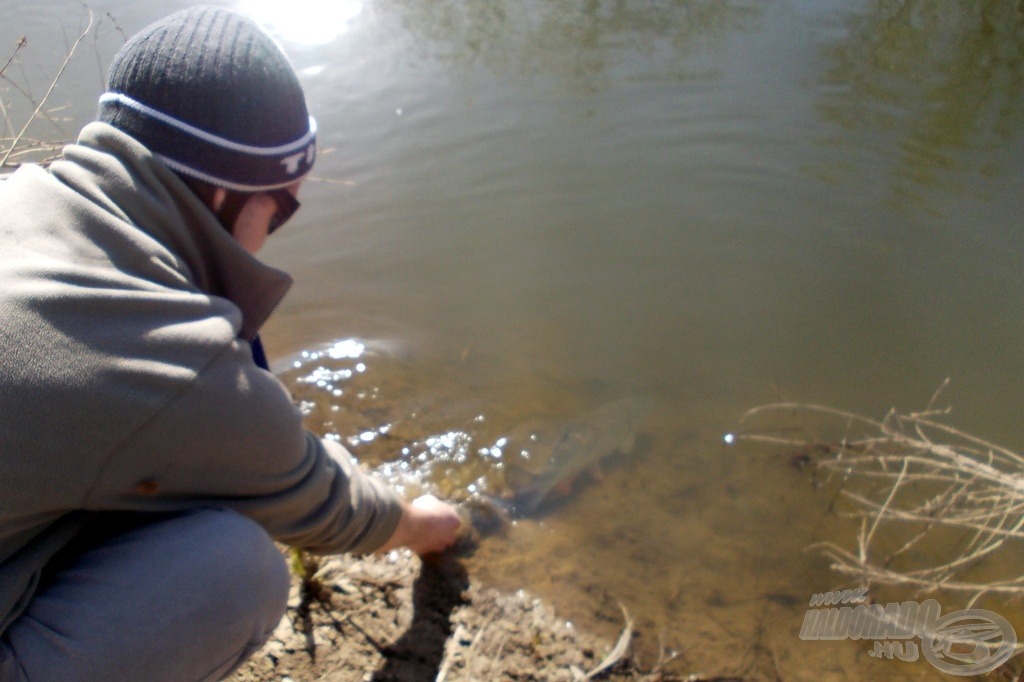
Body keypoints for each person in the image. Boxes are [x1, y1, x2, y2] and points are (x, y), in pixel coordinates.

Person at [0, 6, 461, 680]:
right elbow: (321, 503)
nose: (277, 230)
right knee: (234, 568)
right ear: (224, 194)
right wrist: (424, 524)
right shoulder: (166, 353)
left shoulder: (17, 198)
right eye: (283, 206)